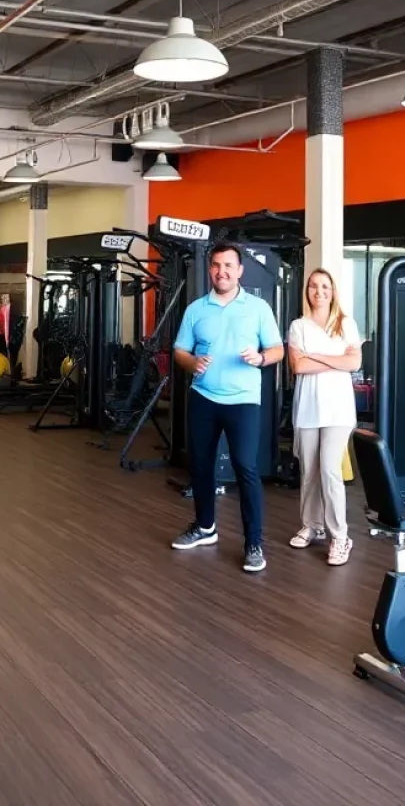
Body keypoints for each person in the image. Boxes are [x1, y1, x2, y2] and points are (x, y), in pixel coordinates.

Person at [170, 242, 284, 573]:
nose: (222, 271)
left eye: (228, 266)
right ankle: (205, 528)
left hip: (243, 400)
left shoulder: (258, 308)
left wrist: (261, 358)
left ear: (239, 271)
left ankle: (253, 543)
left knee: (246, 468)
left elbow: (276, 349)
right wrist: (192, 362)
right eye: (217, 266)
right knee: (201, 466)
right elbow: (180, 351)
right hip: (204, 396)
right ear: (211, 270)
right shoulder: (196, 309)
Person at [287, 268, 362, 566]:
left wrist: (313, 355)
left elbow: (354, 361)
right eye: (314, 286)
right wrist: (336, 360)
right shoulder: (298, 326)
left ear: (333, 292)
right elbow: (298, 367)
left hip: (339, 410)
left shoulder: (347, 324)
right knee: (309, 471)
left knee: (330, 470)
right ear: (307, 291)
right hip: (307, 408)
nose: (319, 291)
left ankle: (340, 536)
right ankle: (312, 525)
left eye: (325, 287)